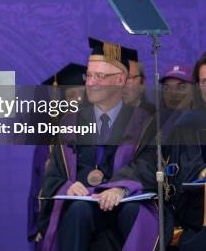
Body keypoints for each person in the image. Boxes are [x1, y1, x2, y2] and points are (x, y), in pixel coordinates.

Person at [37, 38, 157, 251]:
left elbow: (148, 165)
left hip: (124, 203)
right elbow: (53, 173)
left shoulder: (144, 122)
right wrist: (68, 186)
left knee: (133, 213)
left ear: (121, 80)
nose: (90, 83)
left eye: (100, 76)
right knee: (78, 210)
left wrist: (120, 188)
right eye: (89, 75)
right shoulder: (70, 121)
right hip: (82, 207)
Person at [27, 62, 86, 249]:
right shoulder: (50, 137)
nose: (77, 100)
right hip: (54, 215)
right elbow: (38, 184)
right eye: (71, 95)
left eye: (82, 95)